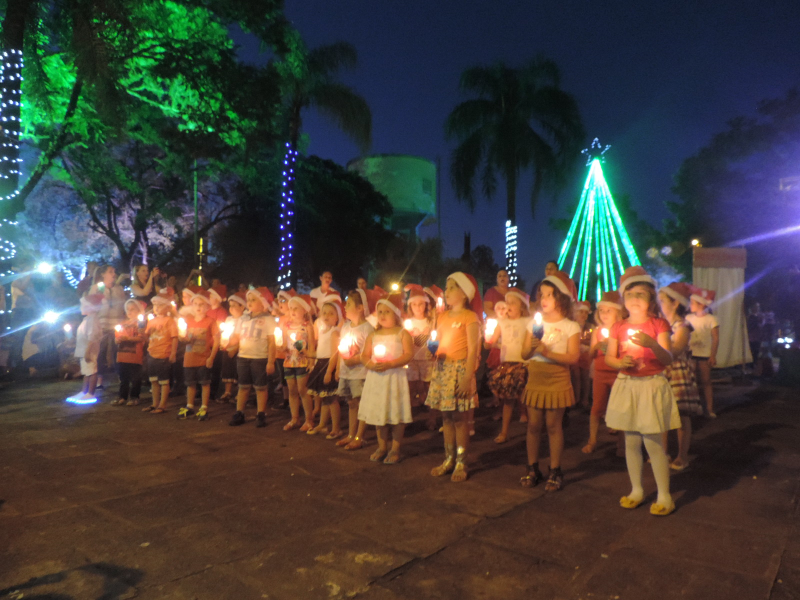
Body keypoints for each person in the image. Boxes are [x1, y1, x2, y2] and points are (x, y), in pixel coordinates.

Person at [605, 266, 679, 517]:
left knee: (653, 442)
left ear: (650, 299)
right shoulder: (618, 326)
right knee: (631, 441)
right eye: (630, 294)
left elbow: (668, 358)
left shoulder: (659, 324)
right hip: (627, 385)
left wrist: (651, 344)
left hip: (650, 386)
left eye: (641, 294)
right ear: (623, 299)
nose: (634, 299)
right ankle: (636, 489)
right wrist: (619, 363)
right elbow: (609, 358)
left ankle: (664, 495)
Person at [519, 271, 580, 492]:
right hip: (535, 377)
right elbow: (525, 354)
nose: (543, 299)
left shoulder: (570, 326)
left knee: (554, 426)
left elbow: (573, 357)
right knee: (534, 425)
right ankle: (532, 467)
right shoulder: (533, 324)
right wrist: (532, 345)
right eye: (541, 294)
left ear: (561, 298)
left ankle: (555, 469)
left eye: (549, 295)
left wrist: (547, 352)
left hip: (557, 378)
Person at [426, 271, 482, 483]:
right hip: (442, 370)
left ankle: (461, 461)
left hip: (460, 372)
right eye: (446, 287)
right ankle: (448, 458)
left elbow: (473, 350)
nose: (446, 292)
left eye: (451, 288)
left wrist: (468, 376)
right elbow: (437, 342)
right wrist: (433, 350)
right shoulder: (441, 317)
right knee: (446, 418)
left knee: (460, 420)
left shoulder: (470, 318)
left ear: (465, 294)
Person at [359, 294, 415, 464]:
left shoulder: (402, 333)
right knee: (379, 412)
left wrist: (391, 364)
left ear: (396, 314)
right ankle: (382, 446)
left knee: (396, 412)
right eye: (380, 311)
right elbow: (364, 355)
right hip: (377, 379)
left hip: (394, 378)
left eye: (387, 311)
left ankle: (395, 448)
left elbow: (408, 354)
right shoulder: (373, 334)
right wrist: (370, 365)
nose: (382, 315)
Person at [659, 282, 703, 471]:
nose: (659, 304)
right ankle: (662, 452)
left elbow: (675, 351)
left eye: (662, 301)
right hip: (662, 371)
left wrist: (654, 347)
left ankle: (682, 455)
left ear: (675, 303)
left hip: (677, 373)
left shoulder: (682, 326)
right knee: (660, 415)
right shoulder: (660, 325)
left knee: (681, 416)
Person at [486, 288, 531, 444]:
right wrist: (487, 340)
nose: (509, 305)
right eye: (507, 302)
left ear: (522, 306)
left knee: (526, 398)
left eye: (513, 303)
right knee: (507, 400)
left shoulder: (527, 322)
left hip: (523, 364)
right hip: (507, 364)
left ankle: (532, 431)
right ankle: (504, 431)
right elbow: (490, 342)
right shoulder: (502, 323)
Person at [582, 291, 624, 455]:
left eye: (609, 310)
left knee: (619, 408)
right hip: (600, 373)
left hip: (617, 374)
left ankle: (621, 444)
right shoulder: (597, 331)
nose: (604, 314)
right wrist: (597, 347)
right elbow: (591, 356)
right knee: (597, 407)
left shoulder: (621, 330)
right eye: (601, 310)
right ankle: (592, 440)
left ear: (617, 312)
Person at [228, 287, 277, 427]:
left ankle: (261, 413)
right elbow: (236, 337)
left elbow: (271, 342)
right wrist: (227, 341)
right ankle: (240, 412)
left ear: (262, 303)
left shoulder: (268, 319)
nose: (249, 302)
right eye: (248, 299)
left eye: (253, 300)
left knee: (260, 387)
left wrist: (271, 361)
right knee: (243, 386)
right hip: (243, 356)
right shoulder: (243, 318)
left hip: (260, 357)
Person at [336, 288, 376, 450]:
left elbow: (370, 352)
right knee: (351, 403)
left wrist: (356, 359)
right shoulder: (346, 327)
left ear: (360, 308)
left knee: (361, 404)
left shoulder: (368, 329)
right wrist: (340, 367)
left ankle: (360, 436)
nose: (345, 307)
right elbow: (341, 348)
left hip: (360, 373)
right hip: (347, 372)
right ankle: (351, 434)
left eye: (349, 304)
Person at [177, 290, 220, 421]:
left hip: (204, 358)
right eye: (195, 304)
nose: (198, 307)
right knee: (190, 383)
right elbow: (184, 338)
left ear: (207, 307)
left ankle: (204, 407)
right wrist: (182, 338)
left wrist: (211, 357)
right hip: (189, 358)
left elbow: (217, 340)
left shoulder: (210, 321)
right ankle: (190, 406)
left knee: (205, 383)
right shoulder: (187, 321)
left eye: (201, 304)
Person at [307, 296, 344, 437]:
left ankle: (336, 428)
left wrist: (329, 371)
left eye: (331, 313)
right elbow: (319, 351)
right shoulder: (322, 331)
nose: (327, 316)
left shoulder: (334, 332)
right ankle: (322, 424)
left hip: (329, 365)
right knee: (324, 398)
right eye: (324, 313)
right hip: (320, 364)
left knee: (331, 399)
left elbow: (335, 353)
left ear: (337, 317)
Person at [280, 294, 317, 431]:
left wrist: (311, 361)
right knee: (292, 390)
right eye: (291, 308)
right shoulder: (286, 326)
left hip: (302, 361)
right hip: (289, 361)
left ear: (304, 310)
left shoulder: (307, 326)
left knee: (303, 390)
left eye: (296, 308)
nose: (293, 311)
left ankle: (309, 420)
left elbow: (312, 347)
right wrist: (282, 347)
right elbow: (284, 344)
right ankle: (294, 418)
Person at [88, 265, 127, 390]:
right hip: (102, 324)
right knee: (101, 353)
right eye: (110, 272)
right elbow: (91, 306)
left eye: (114, 271)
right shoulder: (95, 288)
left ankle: (122, 377)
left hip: (117, 324)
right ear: (103, 274)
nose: (114, 274)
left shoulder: (119, 289)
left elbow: (122, 306)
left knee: (117, 352)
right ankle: (99, 378)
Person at [143, 288, 179, 413]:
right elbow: (147, 337)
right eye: (155, 305)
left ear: (167, 307)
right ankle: (154, 404)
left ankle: (162, 405)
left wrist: (173, 353)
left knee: (164, 381)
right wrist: (146, 332)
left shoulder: (170, 321)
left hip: (164, 354)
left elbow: (174, 337)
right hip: (152, 353)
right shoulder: (151, 321)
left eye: (160, 305)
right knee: (153, 381)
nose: (157, 308)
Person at [686, 287, 719, 417]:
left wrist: (713, 355)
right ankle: (694, 408)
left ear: (701, 304)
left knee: (706, 381)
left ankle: (709, 409)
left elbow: (715, 338)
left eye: (692, 303)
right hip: (690, 354)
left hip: (704, 355)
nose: (690, 305)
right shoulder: (688, 318)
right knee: (692, 382)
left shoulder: (711, 319)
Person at [403, 284, 434, 410]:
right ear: (410, 305)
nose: (418, 307)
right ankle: (409, 414)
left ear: (426, 304)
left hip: (427, 359)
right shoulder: (408, 322)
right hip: (412, 360)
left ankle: (431, 415)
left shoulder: (430, 321)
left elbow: (435, 338)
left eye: (421, 304)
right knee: (411, 386)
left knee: (429, 386)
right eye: (414, 304)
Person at [69, 293, 105, 401]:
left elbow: (92, 337)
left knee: (92, 371)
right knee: (86, 371)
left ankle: (90, 393)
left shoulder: (92, 320)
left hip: (89, 350)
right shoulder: (87, 319)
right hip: (84, 350)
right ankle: (84, 391)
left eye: (82, 306)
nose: (80, 308)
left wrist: (88, 351)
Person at [111, 299, 146, 406]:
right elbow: (117, 337)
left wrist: (128, 338)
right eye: (127, 309)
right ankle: (122, 396)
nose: (129, 312)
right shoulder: (123, 324)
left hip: (135, 355)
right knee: (123, 378)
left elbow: (141, 338)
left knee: (135, 378)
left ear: (139, 311)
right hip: (122, 354)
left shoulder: (140, 325)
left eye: (132, 309)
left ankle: (135, 397)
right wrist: (117, 340)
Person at [217, 291, 246, 403]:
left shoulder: (244, 320)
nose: (232, 308)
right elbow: (225, 334)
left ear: (242, 306)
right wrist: (223, 343)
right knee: (227, 370)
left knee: (238, 372)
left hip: (239, 350)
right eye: (230, 306)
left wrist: (235, 348)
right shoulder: (229, 320)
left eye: (235, 306)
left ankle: (240, 393)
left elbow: (243, 337)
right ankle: (227, 392)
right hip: (228, 348)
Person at [572, 301, 593, 409]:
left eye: (585, 312)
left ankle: (584, 399)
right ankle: (576, 398)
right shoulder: (571, 325)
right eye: (581, 312)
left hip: (585, 354)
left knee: (585, 376)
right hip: (574, 354)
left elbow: (591, 341)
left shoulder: (590, 327)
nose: (583, 315)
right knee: (575, 376)